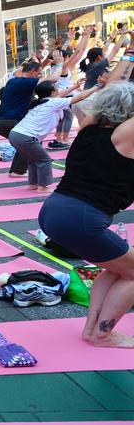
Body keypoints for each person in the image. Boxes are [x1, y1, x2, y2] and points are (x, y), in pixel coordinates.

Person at [38, 63, 134, 348]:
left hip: (55, 211)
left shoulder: (89, 127)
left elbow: (109, 93)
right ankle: (103, 334)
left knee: (117, 268)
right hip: (80, 218)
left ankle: (93, 330)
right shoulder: (124, 136)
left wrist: (126, 60)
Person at [9, 77, 97, 191]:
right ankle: (42, 187)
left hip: (16, 134)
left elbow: (61, 95)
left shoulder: (42, 102)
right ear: (52, 92)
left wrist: (75, 86)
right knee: (45, 160)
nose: (59, 90)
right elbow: (81, 97)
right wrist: (98, 86)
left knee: (34, 159)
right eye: (57, 88)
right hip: (25, 136)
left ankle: (33, 184)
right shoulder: (53, 102)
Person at [0, 60, 42, 177]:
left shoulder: (12, 82)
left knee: (24, 141)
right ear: (32, 72)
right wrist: (60, 64)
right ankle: (18, 171)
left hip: (0, 122)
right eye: (39, 73)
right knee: (26, 140)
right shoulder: (25, 83)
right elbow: (53, 78)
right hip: (6, 121)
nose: (40, 76)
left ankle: (17, 170)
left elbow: (22, 71)